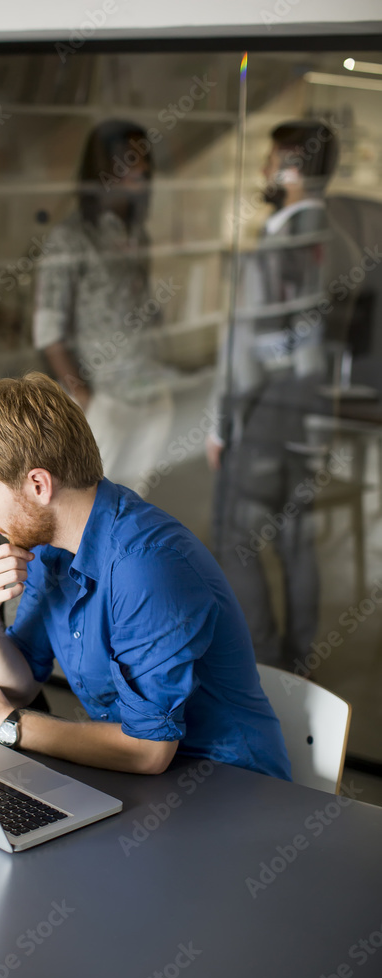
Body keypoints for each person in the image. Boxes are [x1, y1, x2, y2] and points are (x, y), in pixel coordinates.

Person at [0, 372, 291, 780]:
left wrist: (8, 726)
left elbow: (148, 751)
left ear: (38, 484)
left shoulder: (146, 565)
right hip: (137, 778)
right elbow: (20, 687)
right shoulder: (50, 546)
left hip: (230, 788)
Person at [207, 120, 359, 670]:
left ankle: (266, 666)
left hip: (267, 415)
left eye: (273, 160)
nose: (266, 171)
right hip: (315, 414)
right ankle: (299, 662)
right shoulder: (341, 241)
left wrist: (222, 425)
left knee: (232, 539)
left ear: (293, 167)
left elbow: (251, 349)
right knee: (296, 541)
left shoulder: (282, 243)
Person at [33, 118, 173, 489]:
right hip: (105, 402)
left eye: (144, 159)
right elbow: (49, 334)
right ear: (104, 167)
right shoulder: (71, 237)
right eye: (128, 159)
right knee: (90, 509)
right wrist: (86, 401)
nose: (140, 169)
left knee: (133, 508)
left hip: (149, 395)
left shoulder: (137, 233)